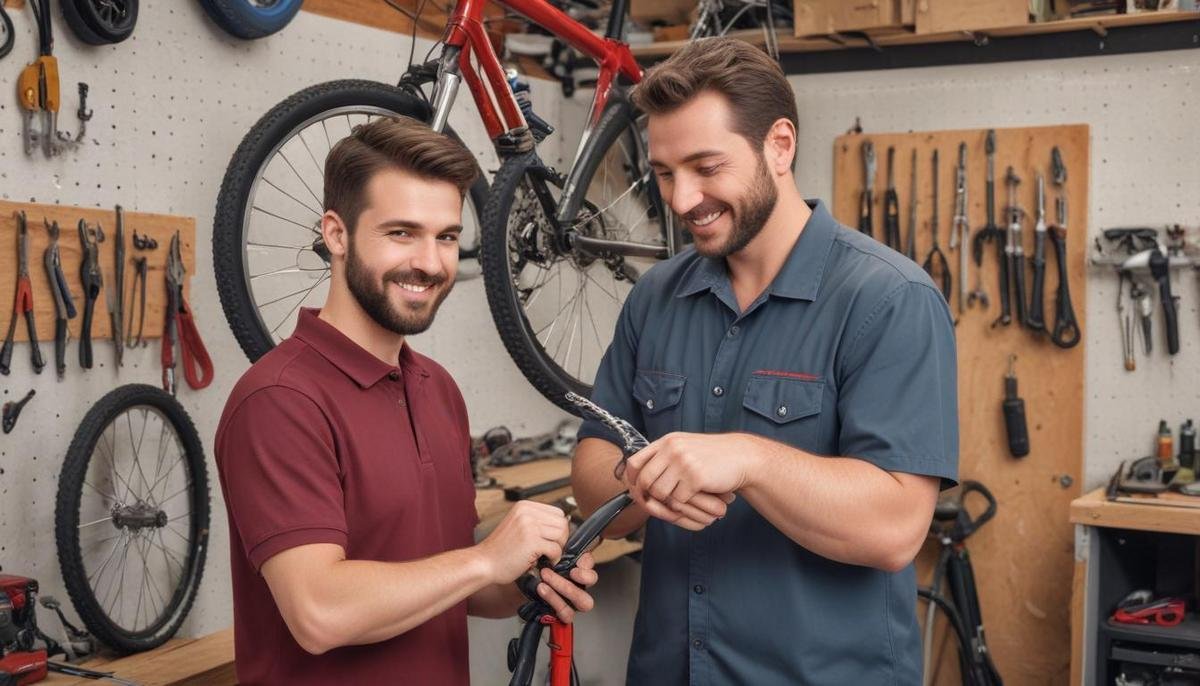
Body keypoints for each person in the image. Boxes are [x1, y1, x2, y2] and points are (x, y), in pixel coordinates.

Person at [571, 37, 958, 685]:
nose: (681, 199)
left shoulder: (889, 300)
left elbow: (893, 529)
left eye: (706, 166)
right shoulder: (655, 299)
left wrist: (749, 460)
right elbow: (590, 481)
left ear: (779, 146)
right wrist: (644, 479)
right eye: (665, 172)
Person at [215, 117, 597, 685]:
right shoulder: (279, 401)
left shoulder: (437, 389)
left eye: (445, 236)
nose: (429, 262)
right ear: (336, 234)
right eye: (401, 233)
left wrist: (527, 575)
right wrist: (484, 558)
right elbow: (318, 611)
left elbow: (453, 590)